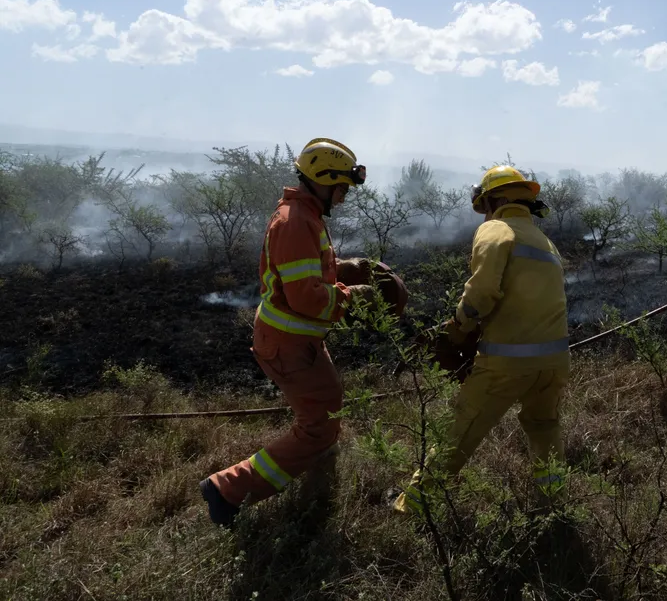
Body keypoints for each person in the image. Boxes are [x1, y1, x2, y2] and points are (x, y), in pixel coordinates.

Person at [200, 137, 377, 527]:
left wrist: (346, 268)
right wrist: (355, 297)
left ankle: (318, 461)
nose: (344, 197)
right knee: (317, 425)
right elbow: (306, 297)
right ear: (322, 180)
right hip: (289, 345)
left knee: (328, 409)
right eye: (341, 188)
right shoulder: (297, 221)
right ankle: (228, 489)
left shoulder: (305, 214)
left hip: (299, 343)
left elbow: (304, 272)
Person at [392, 165, 570, 516]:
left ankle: (412, 509)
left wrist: (457, 329)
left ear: (495, 200)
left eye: (485, 204)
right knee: (544, 428)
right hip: (553, 363)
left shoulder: (495, 229)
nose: (484, 212)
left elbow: (482, 292)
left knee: (459, 431)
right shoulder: (545, 241)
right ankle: (554, 506)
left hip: (507, 362)